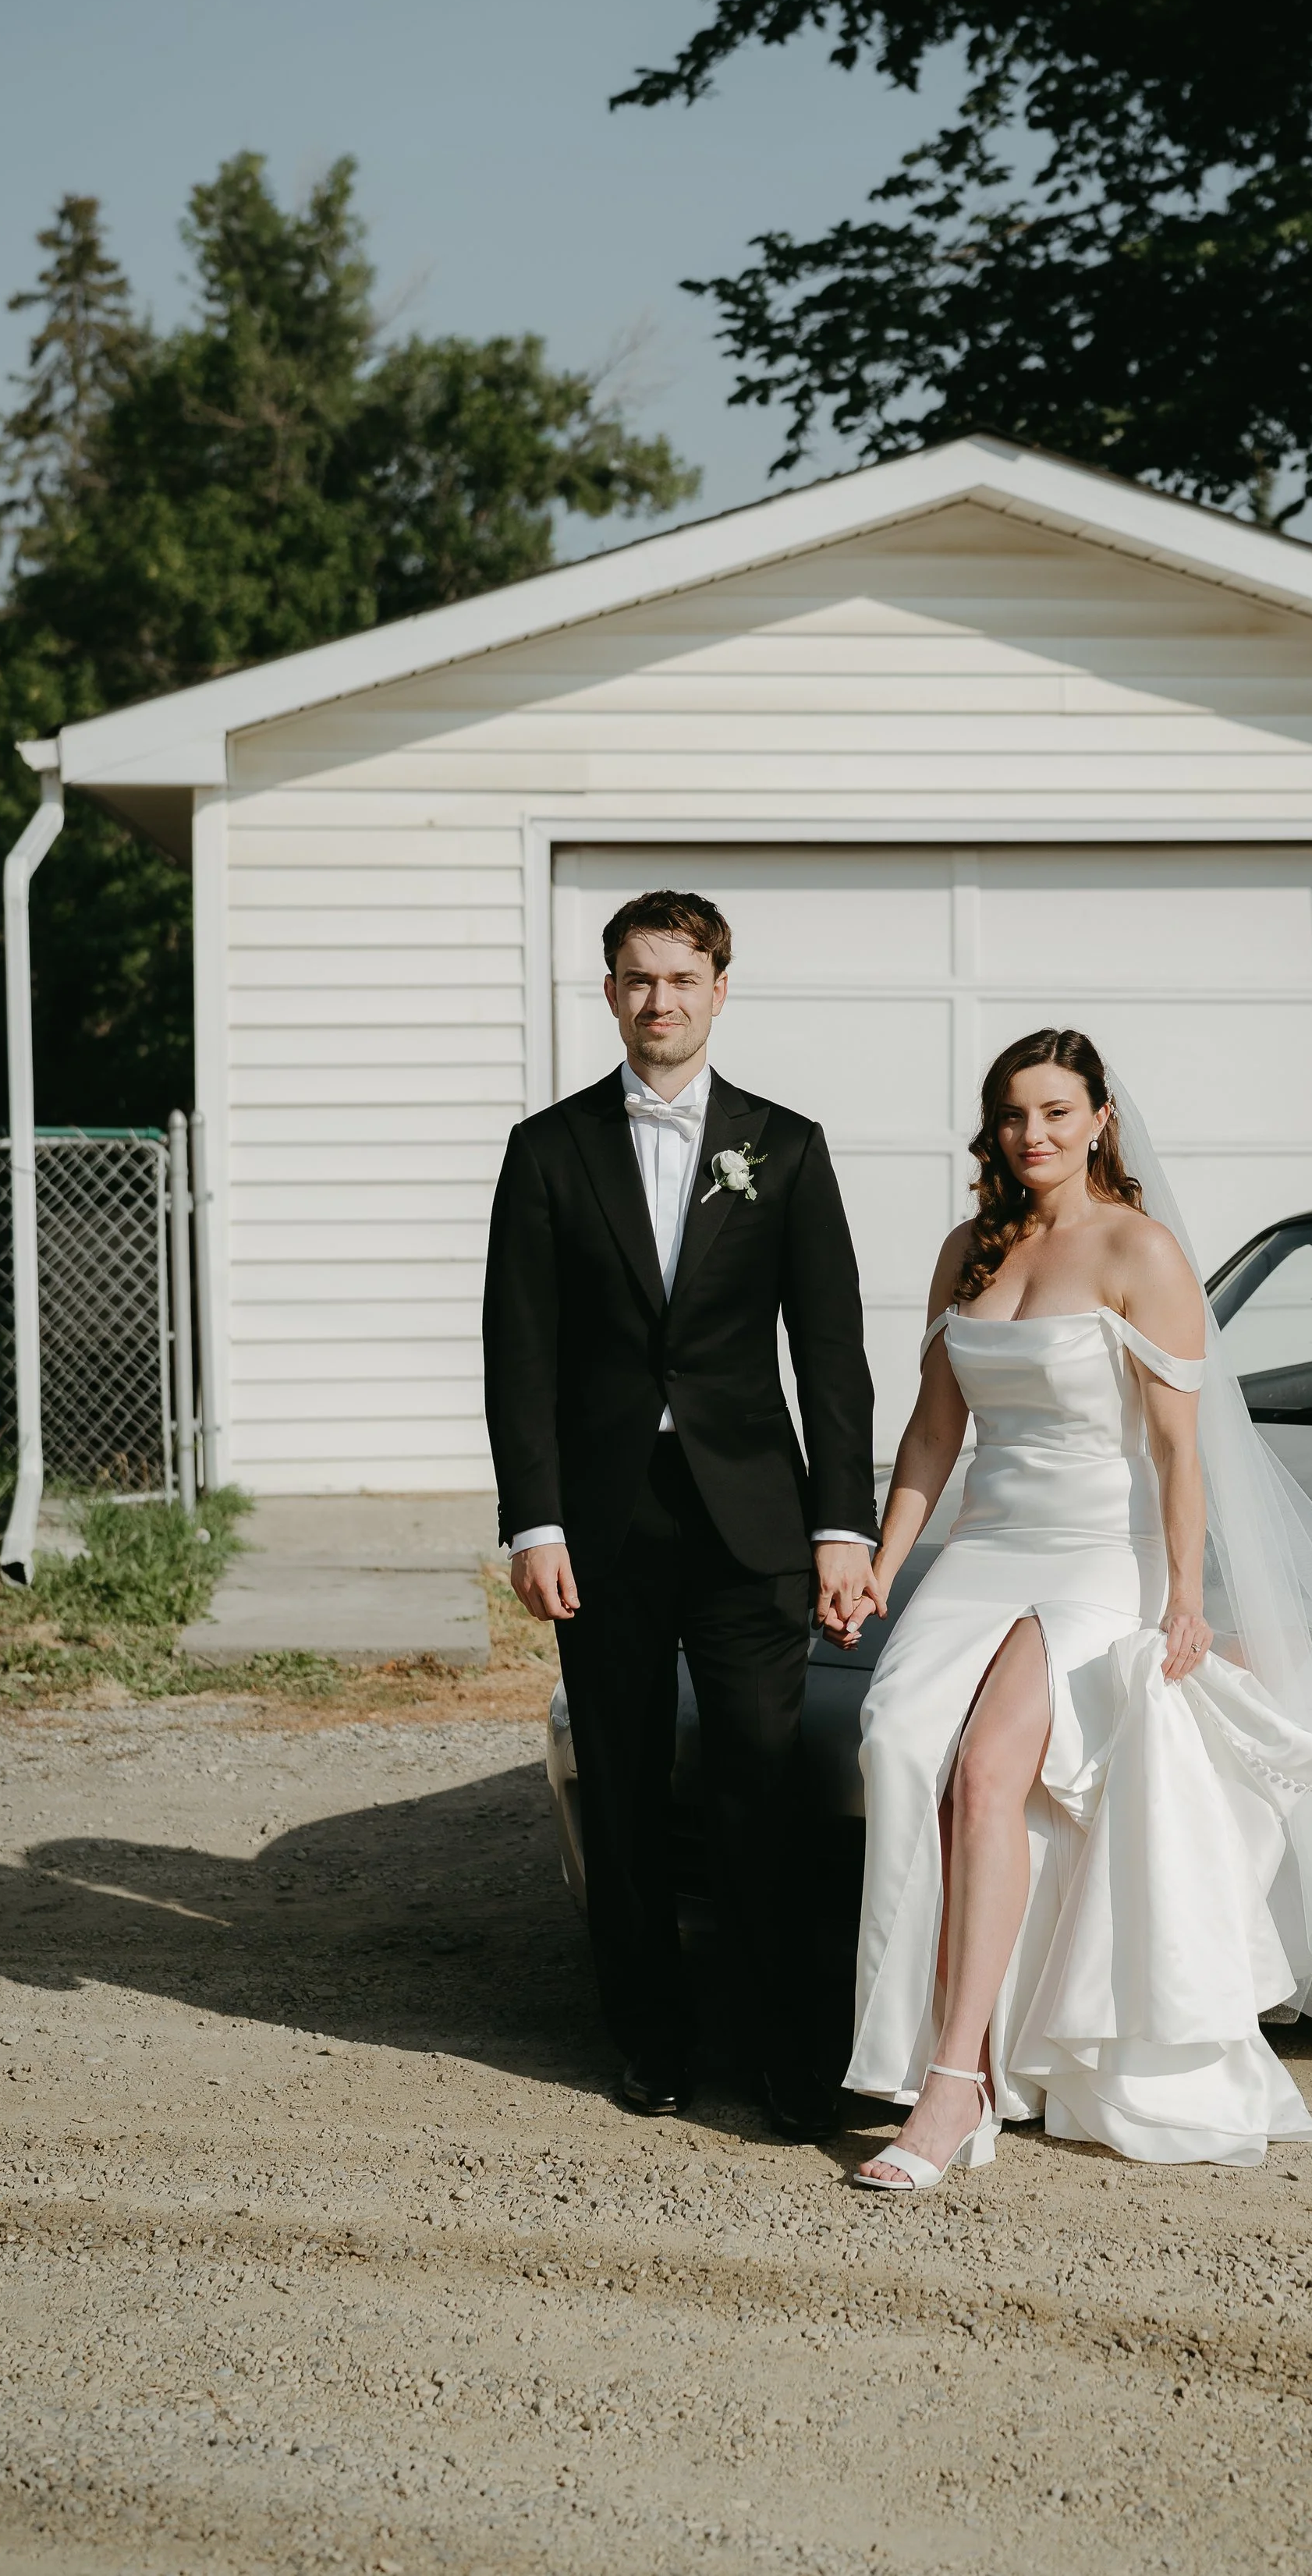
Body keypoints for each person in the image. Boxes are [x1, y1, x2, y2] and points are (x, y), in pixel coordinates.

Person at [839, 1026, 1312, 2185]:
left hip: (1100, 1556)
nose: (1034, 1135)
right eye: (1014, 1116)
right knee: (893, 1749)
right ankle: (931, 2044)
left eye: (1056, 1111)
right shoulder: (966, 1252)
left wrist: (1186, 1595)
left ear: (1099, 1121)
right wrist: (886, 1564)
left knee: (991, 1773)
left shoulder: (1143, 1250)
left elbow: (1183, 1454)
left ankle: (953, 2088)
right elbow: (936, 1430)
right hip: (984, 1549)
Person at [483, 890, 877, 2136]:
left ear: (721, 988)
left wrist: (842, 1527)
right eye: (638, 980)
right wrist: (532, 1522)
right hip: (600, 1528)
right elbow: (519, 1352)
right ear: (610, 995)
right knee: (625, 1788)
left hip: (750, 1520)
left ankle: (783, 2052)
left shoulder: (788, 1146)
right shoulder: (547, 1150)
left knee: (760, 1788)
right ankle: (651, 2042)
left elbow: (831, 1355)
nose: (662, 1001)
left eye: (683, 978)